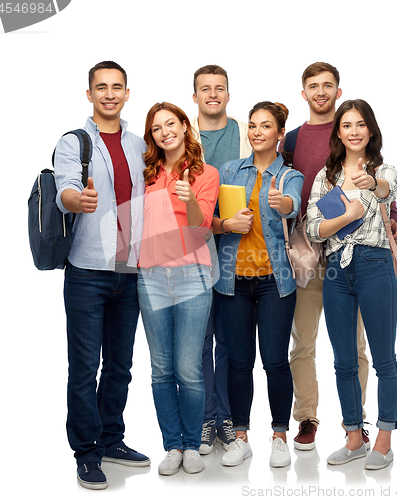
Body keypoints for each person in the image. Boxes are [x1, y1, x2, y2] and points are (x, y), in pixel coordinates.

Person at [283, 62, 397, 451]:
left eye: (328, 85)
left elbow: (387, 188)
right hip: (312, 255)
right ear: (304, 93)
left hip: (366, 263)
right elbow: (306, 212)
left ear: (337, 90)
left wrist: (387, 207)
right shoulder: (296, 142)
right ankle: (311, 419)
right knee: (306, 344)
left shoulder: (378, 165)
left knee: (362, 350)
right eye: (312, 86)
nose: (320, 91)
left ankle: (363, 426)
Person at [54, 61, 149, 490]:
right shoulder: (74, 142)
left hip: (129, 269)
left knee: (120, 366)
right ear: (89, 94)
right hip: (88, 271)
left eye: (117, 87)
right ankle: (87, 451)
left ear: (127, 93)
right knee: (84, 366)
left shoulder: (136, 143)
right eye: (101, 88)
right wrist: (79, 199)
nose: (109, 94)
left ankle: (112, 439)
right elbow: (64, 189)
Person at [306, 99, 397, 470]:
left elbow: (385, 192)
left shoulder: (384, 169)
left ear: (371, 130)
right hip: (335, 272)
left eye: (361, 124)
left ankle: (384, 439)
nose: (354, 131)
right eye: (347, 125)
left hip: (375, 265)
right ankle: (353, 436)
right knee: (344, 361)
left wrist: (371, 183)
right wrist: (346, 215)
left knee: (384, 359)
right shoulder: (325, 177)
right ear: (339, 133)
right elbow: (313, 228)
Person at [212, 102, 304, 468]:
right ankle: (240, 436)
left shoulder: (290, 176)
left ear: (280, 133)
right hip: (233, 280)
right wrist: (226, 222)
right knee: (238, 362)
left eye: (266, 126)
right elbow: (214, 217)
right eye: (252, 125)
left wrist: (283, 204)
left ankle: (279, 436)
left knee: (275, 361)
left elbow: (293, 204)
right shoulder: (230, 170)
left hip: (275, 283)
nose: (256, 132)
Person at [137, 102, 220, 476]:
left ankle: (190, 444)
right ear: (152, 136)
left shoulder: (206, 174)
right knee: (160, 368)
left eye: (171, 123)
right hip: (151, 276)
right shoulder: (147, 173)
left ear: (186, 127)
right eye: (157, 128)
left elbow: (202, 229)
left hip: (192, 277)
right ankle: (171, 445)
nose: (165, 131)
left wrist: (189, 202)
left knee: (188, 369)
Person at [191, 64, 252, 454]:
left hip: (234, 259)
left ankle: (227, 418)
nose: (213, 94)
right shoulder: (183, 136)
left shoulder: (246, 136)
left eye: (220, 88)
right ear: (194, 96)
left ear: (229, 95)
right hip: (192, 257)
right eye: (205, 89)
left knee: (229, 344)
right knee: (198, 342)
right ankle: (205, 418)